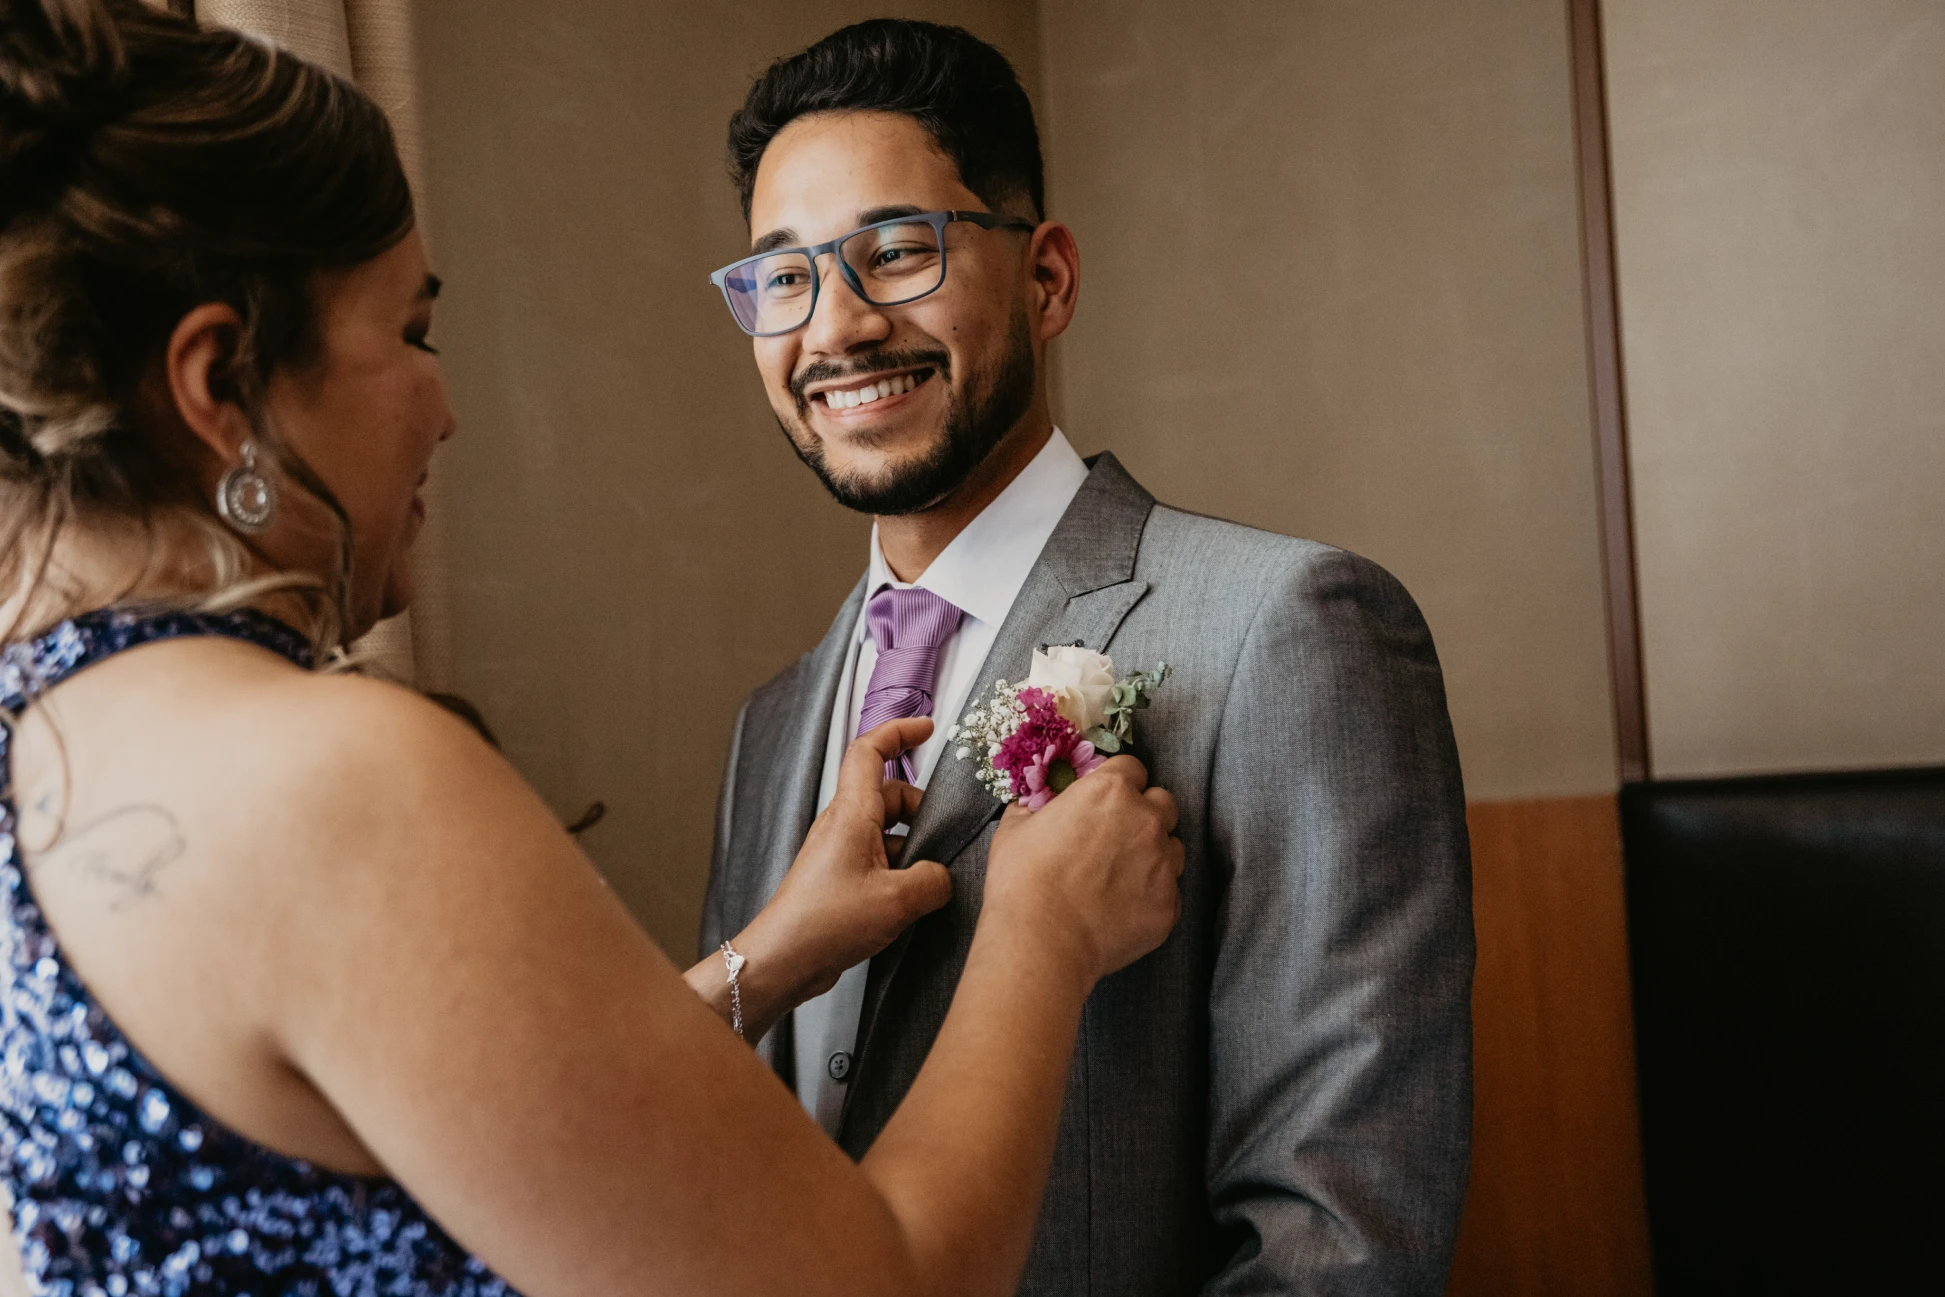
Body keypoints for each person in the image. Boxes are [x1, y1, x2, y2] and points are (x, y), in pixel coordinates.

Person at [0, 2, 1185, 1294]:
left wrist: (770, 955)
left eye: (894, 252)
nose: (446, 408)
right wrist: (1041, 935)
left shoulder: (40, 744)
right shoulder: (333, 771)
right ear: (220, 383)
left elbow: (481, 1129)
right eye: (411, 333)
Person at [699, 19, 1476, 1295]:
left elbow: (1337, 1247)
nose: (835, 328)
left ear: (1047, 279)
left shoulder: (1289, 628)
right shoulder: (771, 727)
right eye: (783, 277)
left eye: (895, 252)